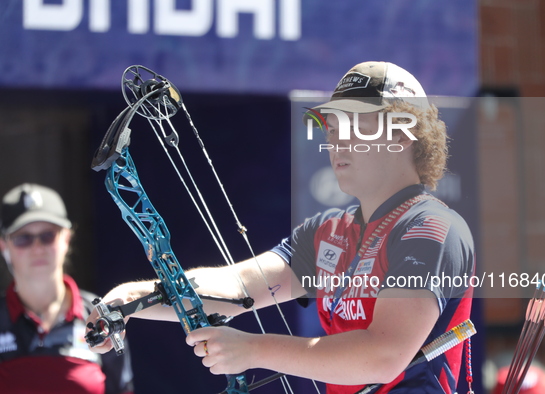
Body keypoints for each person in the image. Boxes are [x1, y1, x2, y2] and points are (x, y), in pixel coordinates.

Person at [86, 61, 475, 393]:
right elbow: (239, 289)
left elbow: (383, 355)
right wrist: (132, 299)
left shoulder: (432, 228)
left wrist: (253, 349)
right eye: (332, 123)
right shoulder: (329, 231)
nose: (336, 136)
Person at [0, 183, 134, 394]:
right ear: (4, 245)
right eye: (23, 238)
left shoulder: (99, 315)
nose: (37, 248)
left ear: (67, 238)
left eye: (47, 236)